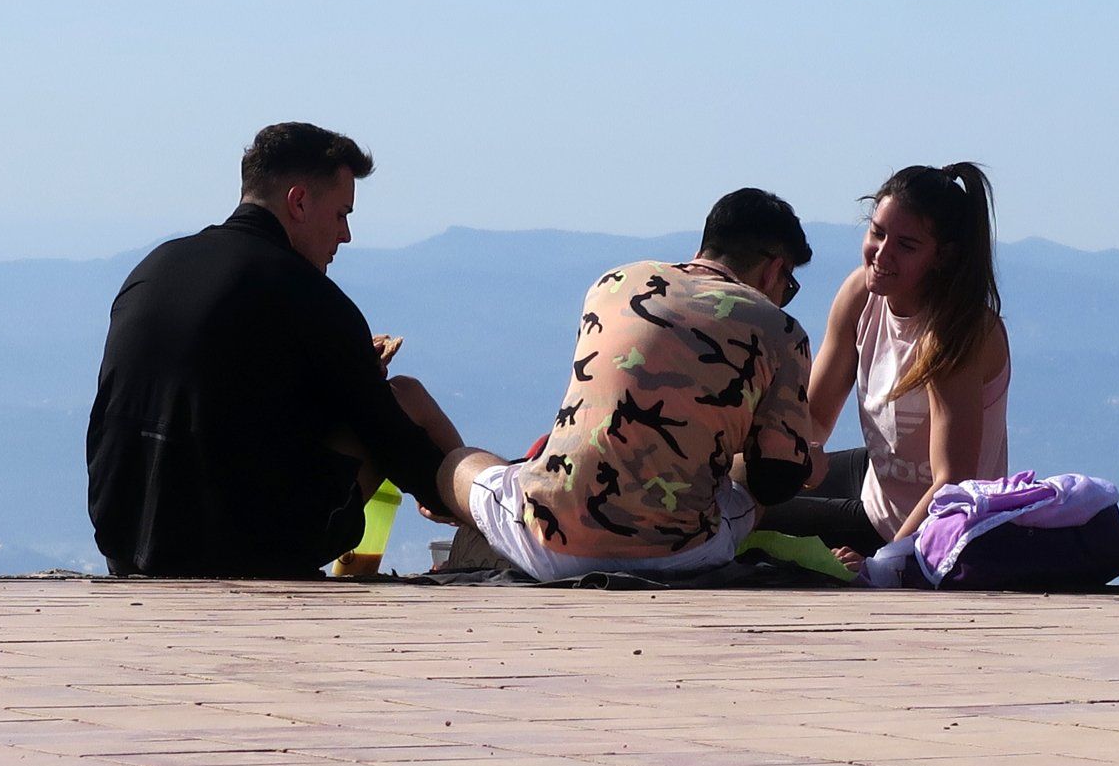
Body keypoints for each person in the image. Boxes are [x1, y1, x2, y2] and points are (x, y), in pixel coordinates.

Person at [87, 122, 463, 578]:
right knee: (406, 397)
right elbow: (394, 439)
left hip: (124, 540)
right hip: (242, 553)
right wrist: (445, 492)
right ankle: (488, 531)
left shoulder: (153, 268)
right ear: (298, 201)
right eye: (341, 214)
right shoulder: (312, 298)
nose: (345, 235)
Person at [429, 189, 818, 582]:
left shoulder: (611, 284)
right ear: (774, 270)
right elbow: (774, 482)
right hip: (683, 556)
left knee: (457, 463)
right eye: (788, 287)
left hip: (548, 544)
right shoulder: (783, 332)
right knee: (747, 471)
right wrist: (807, 462)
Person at [760, 163, 1009, 558]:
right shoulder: (860, 295)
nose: (882, 254)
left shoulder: (957, 332)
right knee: (740, 493)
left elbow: (953, 481)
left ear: (943, 256)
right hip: (878, 485)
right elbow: (815, 419)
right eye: (877, 233)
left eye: (906, 246)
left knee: (754, 523)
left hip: (937, 529)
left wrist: (882, 564)